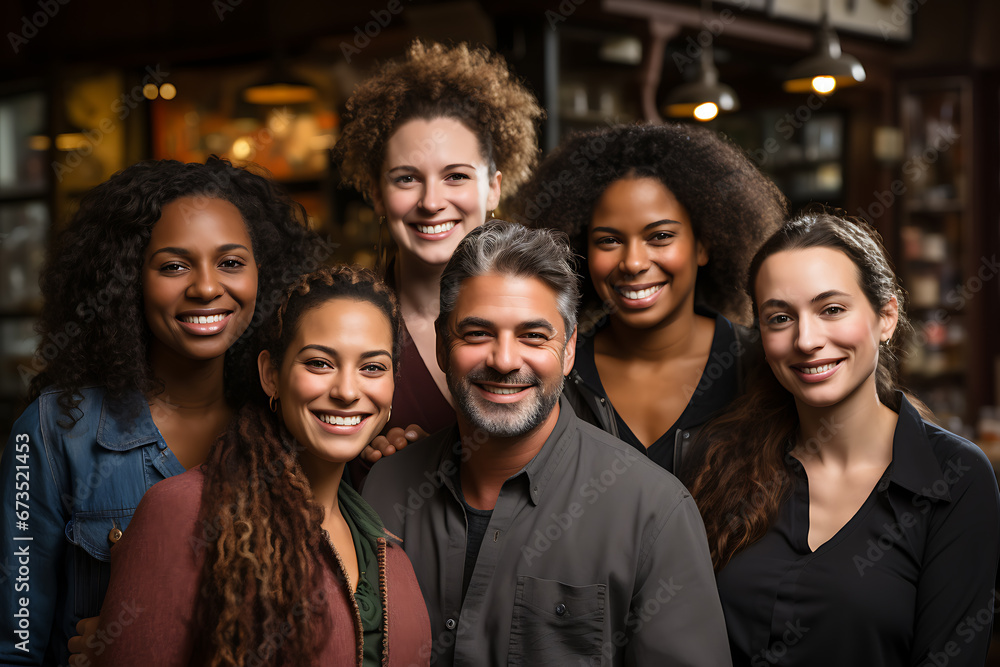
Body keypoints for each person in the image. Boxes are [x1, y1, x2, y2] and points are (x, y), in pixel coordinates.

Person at [363, 222, 731, 667]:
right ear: (442, 344)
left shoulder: (653, 512)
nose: (503, 360)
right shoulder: (383, 490)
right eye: (477, 333)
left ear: (569, 347)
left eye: (533, 336)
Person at [0, 157, 318, 665]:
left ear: (266, 274)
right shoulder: (50, 432)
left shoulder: (294, 425)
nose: (207, 287)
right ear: (128, 279)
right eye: (174, 265)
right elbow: (15, 643)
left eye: (232, 262)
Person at [688, 211, 1000, 666]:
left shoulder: (957, 479)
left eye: (831, 309)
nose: (806, 339)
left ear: (886, 316)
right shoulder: (718, 461)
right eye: (780, 318)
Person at [91, 266, 430, 665]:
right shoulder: (184, 512)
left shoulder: (387, 541)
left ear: (392, 386)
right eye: (320, 363)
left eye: (372, 367)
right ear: (272, 375)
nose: (347, 391)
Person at [512, 122, 786, 481]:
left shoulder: (763, 366)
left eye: (659, 236)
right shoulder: (556, 372)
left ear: (704, 243)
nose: (634, 263)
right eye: (609, 241)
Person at [335, 39, 543, 456]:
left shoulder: (546, 318)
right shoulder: (341, 326)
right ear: (376, 193)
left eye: (456, 177)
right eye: (406, 178)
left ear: (493, 188)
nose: (431, 202)